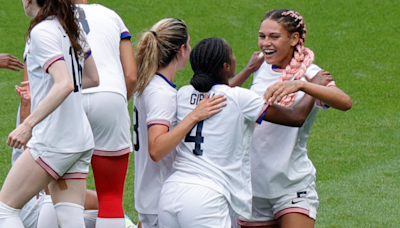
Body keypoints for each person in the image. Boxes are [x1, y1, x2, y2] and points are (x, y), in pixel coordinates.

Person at [157, 37, 333, 228]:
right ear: (225, 66)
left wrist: (249, 69)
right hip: (206, 198)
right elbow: (295, 117)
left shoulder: (183, 93)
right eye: (231, 55)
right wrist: (312, 86)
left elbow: (222, 93)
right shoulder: (240, 98)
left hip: (170, 194)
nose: (235, 58)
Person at [235, 9, 352, 228]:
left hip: (292, 185)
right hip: (252, 186)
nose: (265, 43)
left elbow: (345, 102)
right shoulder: (260, 67)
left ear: (294, 39)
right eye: (262, 36)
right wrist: (249, 68)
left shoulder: (311, 73)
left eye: (274, 37)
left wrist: (303, 85)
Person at [0, 0, 99, 227]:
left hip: (54, 140)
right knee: (69, 217)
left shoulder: (41, 31)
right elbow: (93, 78)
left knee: (4, 210)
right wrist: (45, 86)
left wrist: (27, 125)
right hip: (80, 140)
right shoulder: (70, 25)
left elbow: (64, 84)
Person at [133, 18, 226, 228]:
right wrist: (193, 116)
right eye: (190, 43)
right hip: (160, 197)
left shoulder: (149, 84)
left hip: (149, 195)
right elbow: (156, 149)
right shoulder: (161, 93)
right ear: (181, 49)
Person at [74, 1, 137, 227]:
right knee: (110, 197)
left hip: (70, 99)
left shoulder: (49, 19)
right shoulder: (111, 15)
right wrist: (117, 104)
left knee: (60, 195)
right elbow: (131, 76)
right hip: (111, 98)